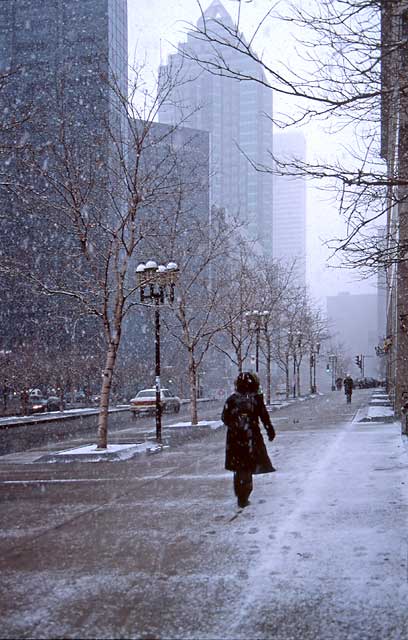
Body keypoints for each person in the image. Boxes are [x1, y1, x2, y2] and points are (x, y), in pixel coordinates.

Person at [222, 371, 276, 509]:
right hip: (251, 437)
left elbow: (225, 417)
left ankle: (240, 491)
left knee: (239, 467)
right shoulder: (255, 399)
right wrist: (269, 430)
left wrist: (235, 426)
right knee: (247, 467)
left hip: (235, 439)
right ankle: (244, 494)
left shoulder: (232, 400)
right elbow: (264, 416)